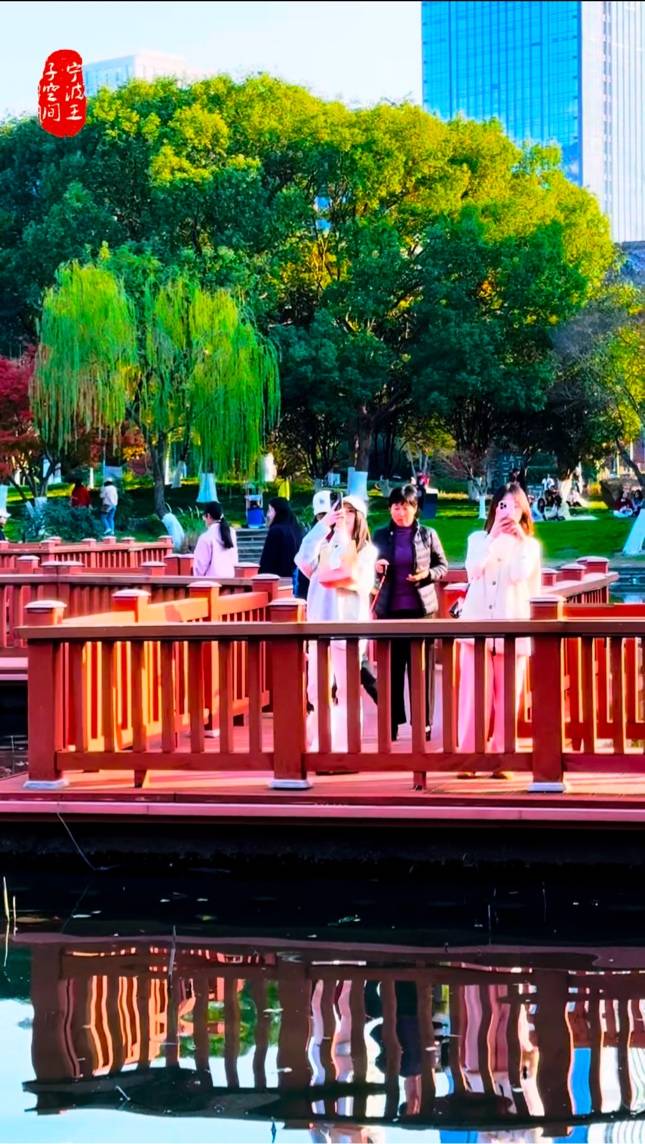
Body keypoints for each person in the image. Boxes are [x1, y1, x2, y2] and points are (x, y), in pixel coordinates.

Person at [457, 482, 542, 776]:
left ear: (523, 511)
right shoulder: (478, 539)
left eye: (515, 506)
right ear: (494, 508)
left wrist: (520, 542)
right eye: (503, 506)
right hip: (477, 629)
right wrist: (492, 537)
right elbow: (473, 570)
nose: (508, 512)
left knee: (508, 697)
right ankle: (469, 757)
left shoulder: (529, 547)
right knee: (473, 695)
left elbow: (520, 575)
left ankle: (503, 757)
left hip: (512, 629)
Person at [300, 495, 376, 752]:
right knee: (316, 687)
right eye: (340, 511)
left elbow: (350, 578)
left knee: (346, 688)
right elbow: (303, 559)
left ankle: (345, 746)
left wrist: (342, 537)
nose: (343, 516)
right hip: (319, 628)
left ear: (360, 517)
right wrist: (323, 526)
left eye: (350, 512)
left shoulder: (366, 551)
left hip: (348, 628)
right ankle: (321, 740)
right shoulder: (324, 547)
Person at [372, 485, 448, 742]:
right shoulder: (380, 536)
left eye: (406, 507)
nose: (400, 512)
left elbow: (442, 566)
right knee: (392, 670)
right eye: (396, 507)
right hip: (390, 612)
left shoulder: (428, 534)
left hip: (421, 613)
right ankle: (392, 723)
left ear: (415, 509)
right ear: (389, 509)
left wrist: (427, 575)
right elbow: (366, 567)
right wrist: (375, 567)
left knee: (422, 671)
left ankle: (423, 723)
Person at [258, 496, 303, 577]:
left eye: (270, 510)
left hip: (276, 579)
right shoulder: (297, 529)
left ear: (278, 512)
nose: (267, 515)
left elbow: (267, 561)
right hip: (295, 578)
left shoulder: (276, 531)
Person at [193, 501, 238, 579]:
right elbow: (235, 560)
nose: (204, 520)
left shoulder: (206, 537)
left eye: (204, 517)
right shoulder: (232, 533)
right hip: (231, 579)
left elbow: (200, 567)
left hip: (211, 582)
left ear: (208, 516)